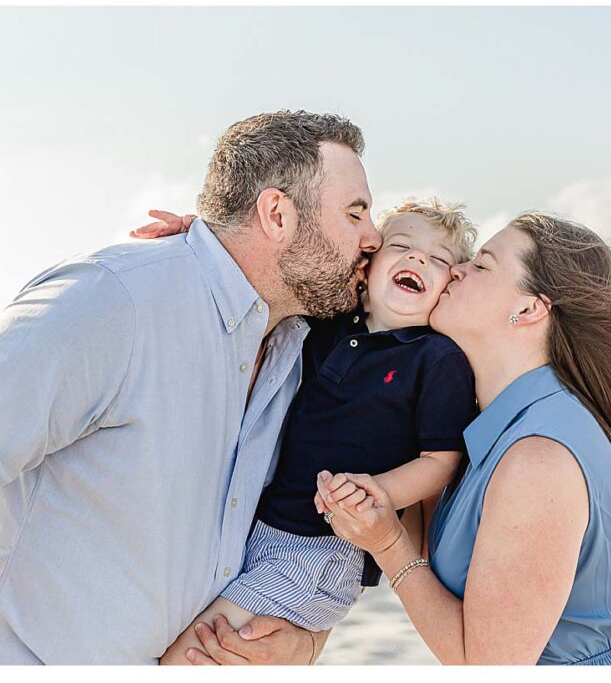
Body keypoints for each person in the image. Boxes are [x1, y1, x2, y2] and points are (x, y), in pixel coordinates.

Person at [0, 110, 382, 664]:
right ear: (277, 214)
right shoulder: (113, 300)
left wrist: (302, 646)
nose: (373, 237)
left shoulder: (301, 352)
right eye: (356, 214)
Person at [315, 212, 611, 665]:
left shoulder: (538, 457)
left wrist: (385, 544)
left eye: (481, 265)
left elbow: (487, 664)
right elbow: (433, 560)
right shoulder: (495, 425)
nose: (455, 270)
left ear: (529, 309)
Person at [156, 199, 480, 664]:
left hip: (324, 550)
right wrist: (202, 237)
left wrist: (378, 491)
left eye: (439, 260)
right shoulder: (328, 325)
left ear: (448, 288)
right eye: (402, 246)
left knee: (192, 656)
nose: (417, 260)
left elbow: (441, 462)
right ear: (366, 268)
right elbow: (267, 278)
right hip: (256, 525)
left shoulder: (436, 358)